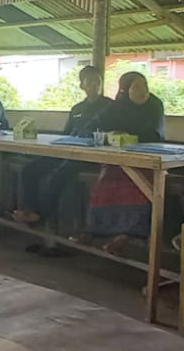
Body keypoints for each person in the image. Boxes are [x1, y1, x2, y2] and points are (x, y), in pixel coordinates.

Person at [12, 65, 110, 226]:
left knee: (57, 175)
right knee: (29, 169)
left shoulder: (110, 107)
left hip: (91, 155)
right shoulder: (77, 108)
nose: (94, 85)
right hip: (69, 150)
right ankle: (29, 209)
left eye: (97, 81)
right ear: (82, 85)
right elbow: (67, 133)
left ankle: (41, 215)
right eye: (90, 81)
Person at [84, 73, 168, 253]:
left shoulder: (154, 105)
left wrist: (126, 136)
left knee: (138, 182)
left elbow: (155, 134)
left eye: (145, 85)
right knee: (107, 180)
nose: (142, 91)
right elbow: (91, 128)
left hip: (147, 159)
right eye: (136, 87)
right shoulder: (116, 106)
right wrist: (108, 135)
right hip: (118, 160)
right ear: (124, 89)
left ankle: (127, 235)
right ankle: (95, 230)